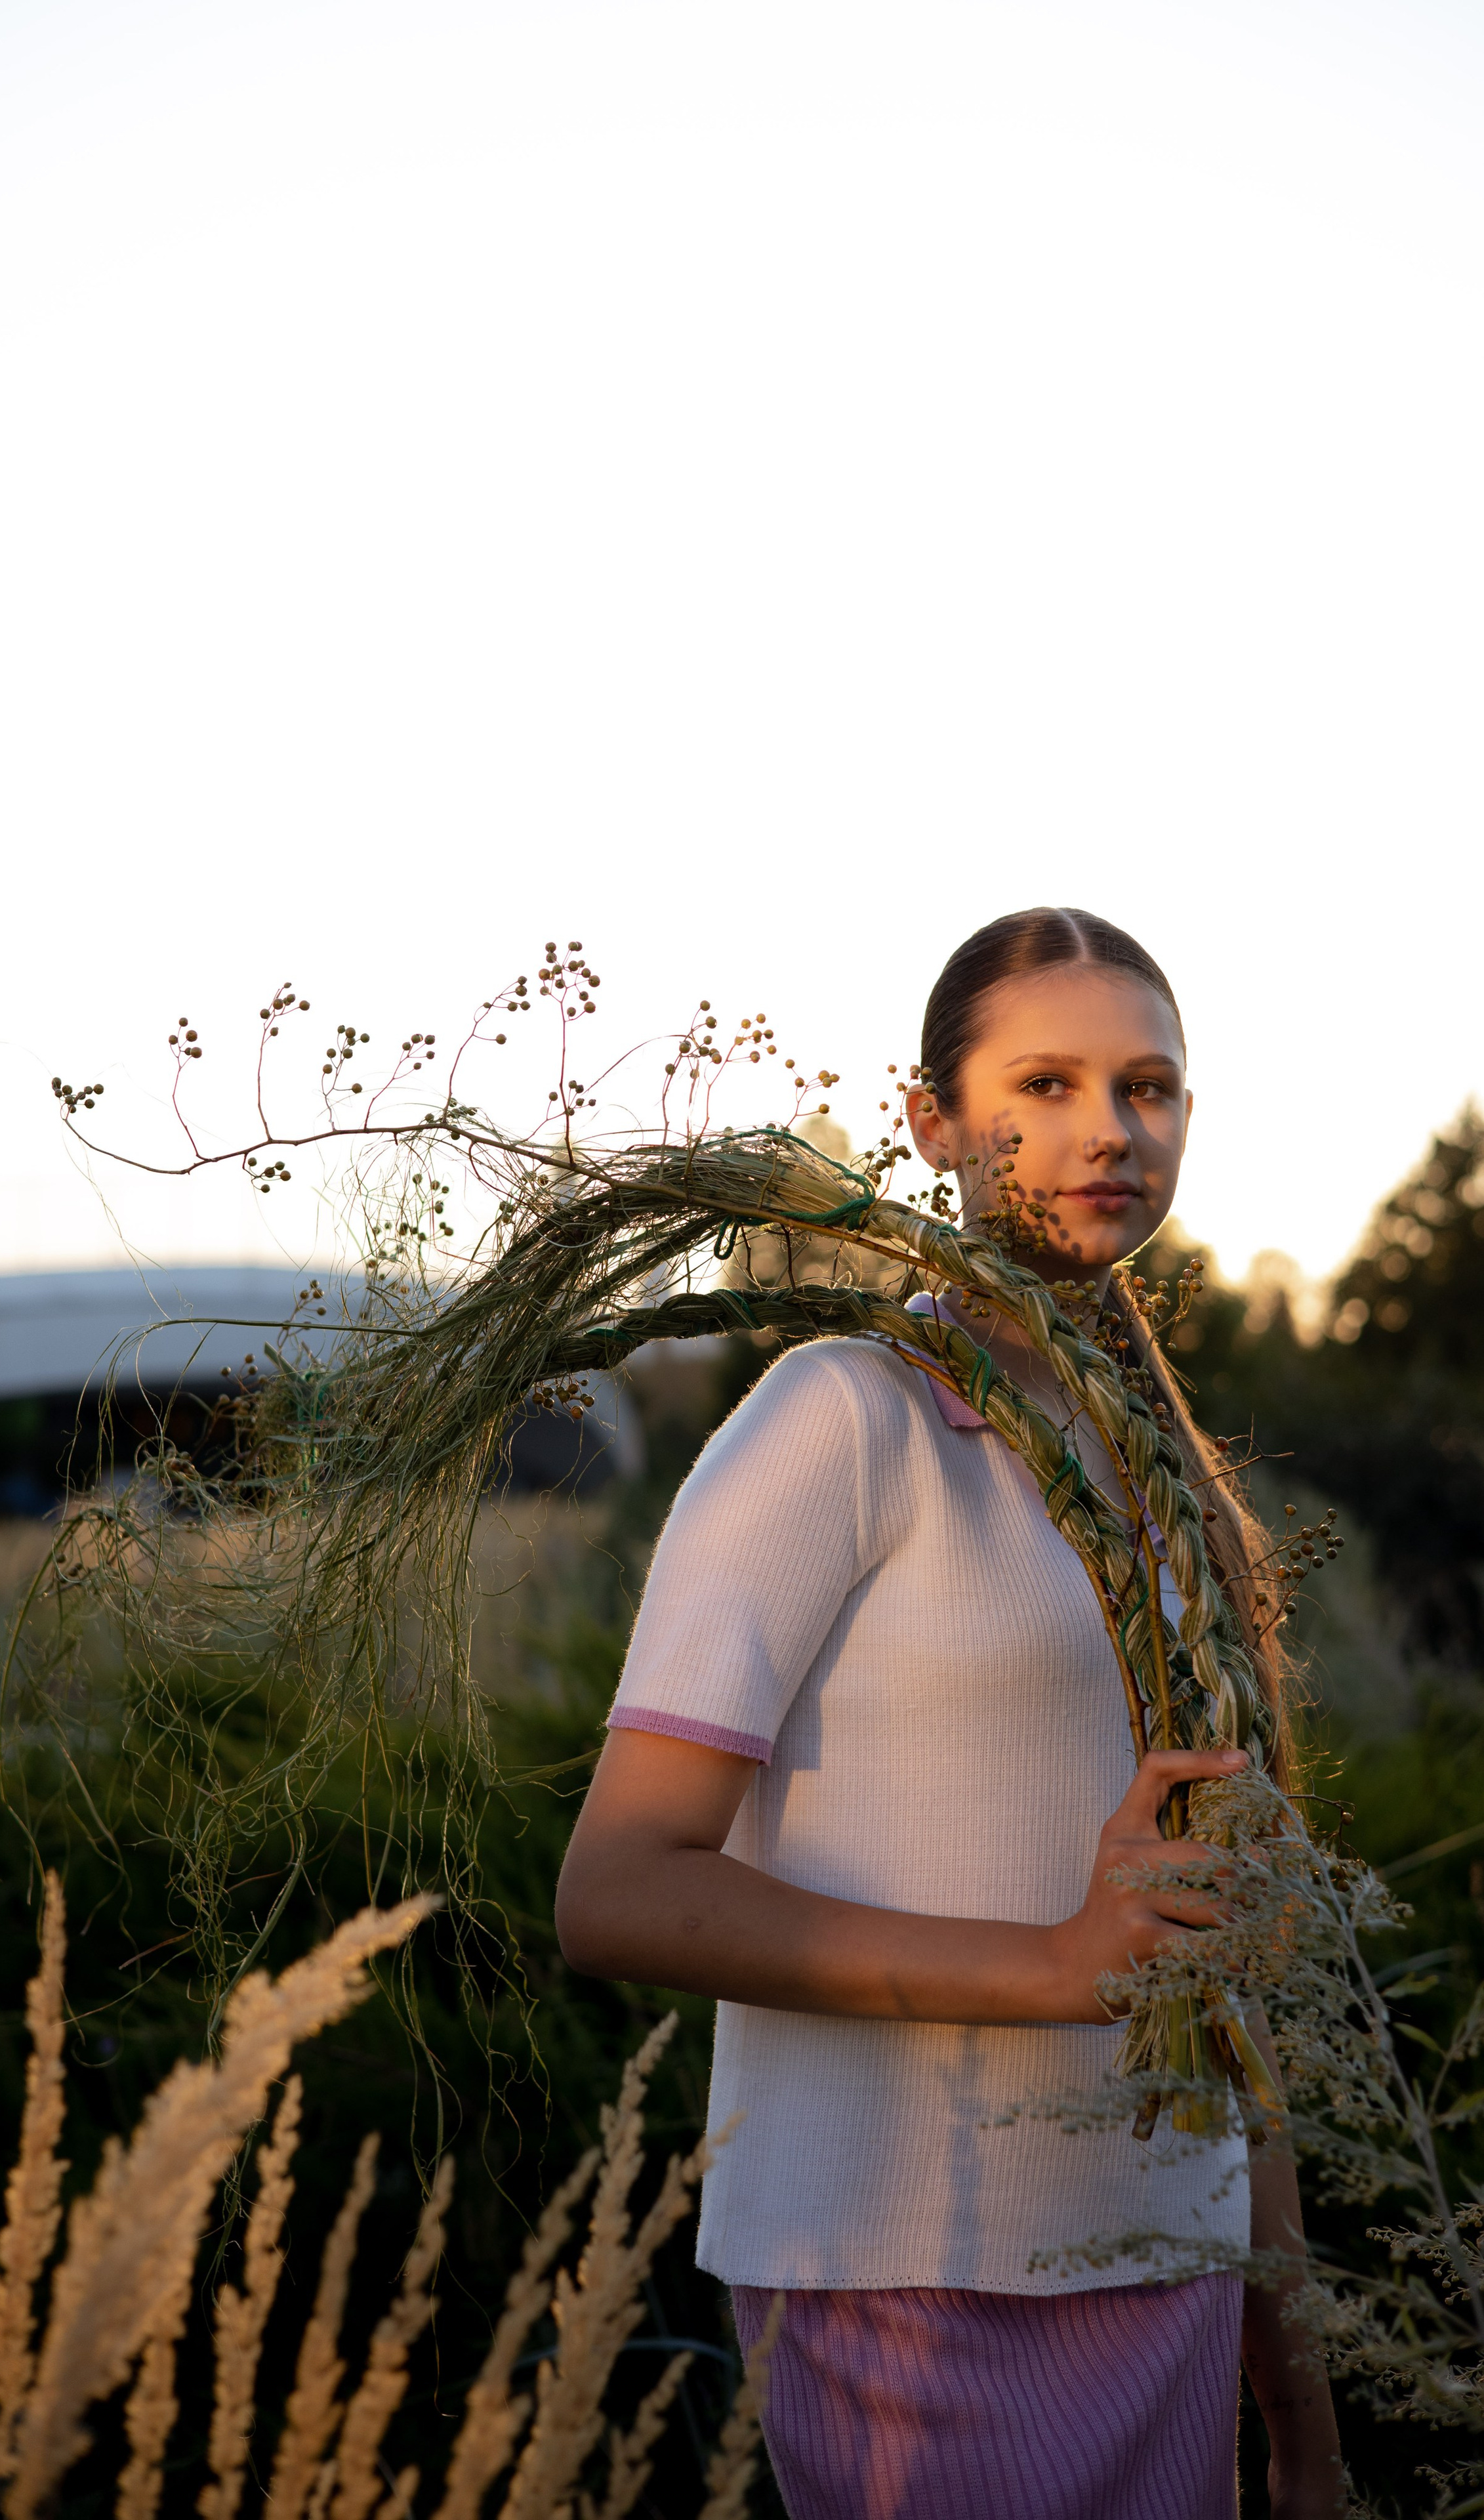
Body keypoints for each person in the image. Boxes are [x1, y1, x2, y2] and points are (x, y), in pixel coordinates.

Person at [554, 908, 1344, 2520]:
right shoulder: (838, 1418)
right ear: (929, 1121)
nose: (1107, 1130)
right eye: (1042, 1084)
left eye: (1145, 1088)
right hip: (909, 2276)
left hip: (1170, 2262)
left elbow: (1207, 1956)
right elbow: (616, 1889)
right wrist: (1053, 1967)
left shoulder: (1158, 1477)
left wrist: (1298, 2406)